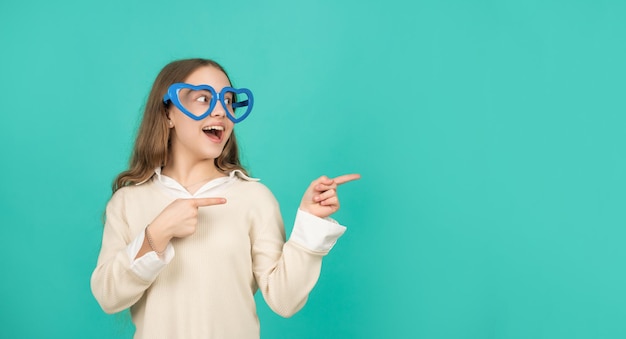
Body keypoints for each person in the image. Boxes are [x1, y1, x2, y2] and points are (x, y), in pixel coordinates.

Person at [90, 58, 360, 339]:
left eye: (229, 101)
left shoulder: (254, 198)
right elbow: (108, 297)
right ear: (168, 113)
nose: (221, 110)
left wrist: (310, 225)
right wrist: (156, 234)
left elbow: (285, 300)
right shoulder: (128, 202)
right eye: (204, 98)